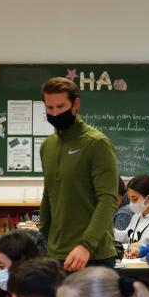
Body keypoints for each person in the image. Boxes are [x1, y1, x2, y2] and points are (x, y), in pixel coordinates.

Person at [38, 77, 119, 272]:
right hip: (56, 255)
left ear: (76, 104)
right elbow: (49, 196)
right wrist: (40, 241)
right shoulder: (47, 146)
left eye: (60, 106)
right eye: (49, 108)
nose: (55, 113)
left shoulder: (96, 143)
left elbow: (108, 199)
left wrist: (86, 245)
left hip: (93, 256)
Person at [113, 174, 149, 248]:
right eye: (129, 199)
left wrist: (142, 247)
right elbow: (127, 236)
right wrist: (112, 232)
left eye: (135, 199)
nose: (131, 203)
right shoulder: (136, 216)